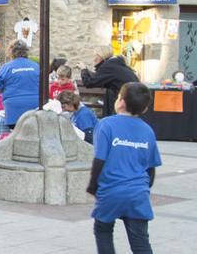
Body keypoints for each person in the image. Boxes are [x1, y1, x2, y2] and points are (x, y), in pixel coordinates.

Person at [88, 82, 161, 254]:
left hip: (111, 191)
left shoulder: (106, 124)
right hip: (137, 193)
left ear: (120, 101)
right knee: (140, 242)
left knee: (103, 230)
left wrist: (93, 186)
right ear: (144, 109)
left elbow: (99, 160)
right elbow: (151, 168)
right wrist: (145, 188)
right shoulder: (147, 130)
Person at [79, 45, 139, 118]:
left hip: (126, 101)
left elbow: (89, 83)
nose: (93, 59)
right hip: (133, 99)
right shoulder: (115, 64)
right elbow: (99, 78)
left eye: (95, 56)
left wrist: (83, 69)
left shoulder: (108, 66)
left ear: (100, 56)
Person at [0, 40, 39, 128]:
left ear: (11, 51)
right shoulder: (36, 66)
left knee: (16, 134)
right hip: (35, 107)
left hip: (14, 109)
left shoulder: (7, 67)